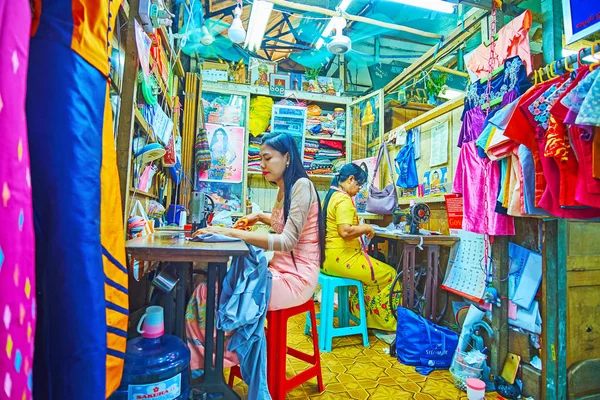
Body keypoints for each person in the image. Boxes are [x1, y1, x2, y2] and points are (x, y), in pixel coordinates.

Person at [186, 132, 324, 372]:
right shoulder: (284, 189)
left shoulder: (302, 186)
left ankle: (216, 362)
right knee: (209, 287)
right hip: (278, 271)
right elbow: (284, 222)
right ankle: (211, 361)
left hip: (297, 278)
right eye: (260, 158)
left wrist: (233, 233)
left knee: (210, 293)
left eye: (267, 158)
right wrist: (259, 216)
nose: (261, 165)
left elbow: (288, 240)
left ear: (287, 157)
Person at [321, 163, 399, 331]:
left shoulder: (331, 196)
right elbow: (345, 231)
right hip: (342, 259)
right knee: (390, 274)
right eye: (359, 185)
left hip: (328, 259)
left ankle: (363, 318)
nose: (359, 190)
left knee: (370, 274)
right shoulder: (343, 200)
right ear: (350, 179)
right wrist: (366, 228)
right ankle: (382, 324)